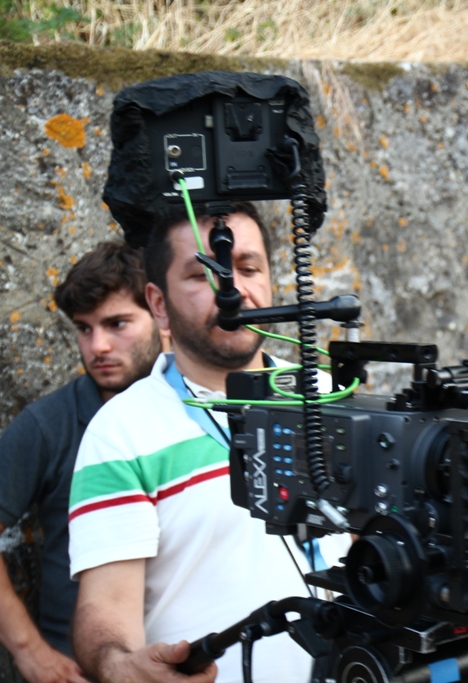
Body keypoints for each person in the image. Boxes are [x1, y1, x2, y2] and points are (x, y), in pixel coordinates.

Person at [68, 204, 335, 683]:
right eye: (201, 274)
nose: (232, 290)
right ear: (159, 304)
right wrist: (121, 666)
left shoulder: (327, 394)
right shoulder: (121, 432)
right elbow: (103, 610)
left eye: (248, 268)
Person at [0, 241, 164, 683]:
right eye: (84, 328)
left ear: (161, 314)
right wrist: (29, 650)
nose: (98, 346)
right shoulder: (48, 424)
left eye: (116, 324)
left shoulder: (199, 410)